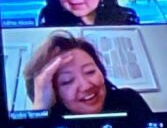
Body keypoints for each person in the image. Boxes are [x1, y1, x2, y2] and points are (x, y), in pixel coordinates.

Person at [23, 32, 151, 118]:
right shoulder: (50, 122)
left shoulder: (129, 100)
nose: (86, 86)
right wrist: (41, 108)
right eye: (67, 81)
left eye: (90, 72)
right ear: (53, 93)